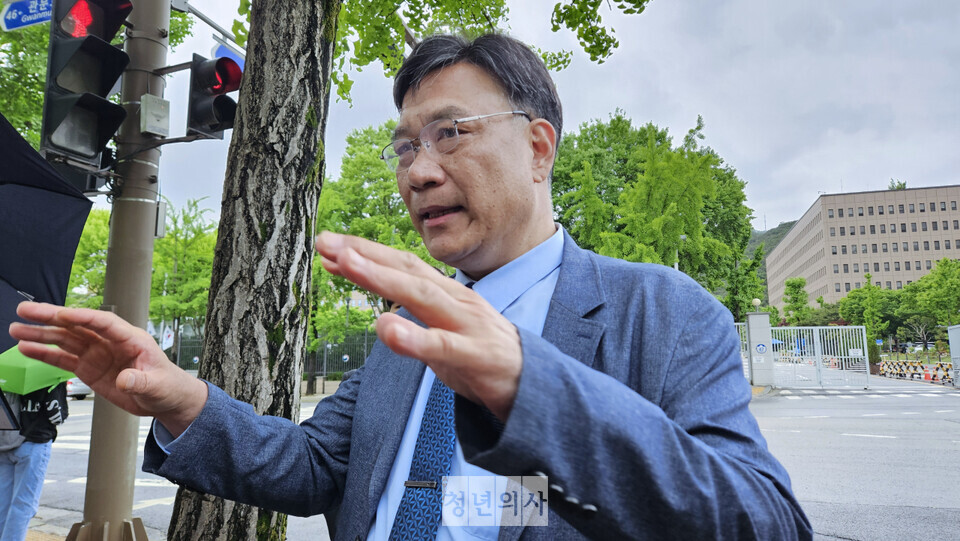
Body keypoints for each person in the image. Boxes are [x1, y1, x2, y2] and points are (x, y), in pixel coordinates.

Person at [9, 33, 812, 540]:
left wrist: (529, 384)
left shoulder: (663, 314)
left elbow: (764, 521)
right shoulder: (406, 333)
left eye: (451, 134)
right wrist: (180, 398)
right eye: (404, 147)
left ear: (538, 148)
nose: (418, 170)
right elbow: (317, 465)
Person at [0, 384, 67, 540]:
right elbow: (55, 415)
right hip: (34, 443)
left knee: (3, 505)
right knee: (23, 506)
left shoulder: (9, 368)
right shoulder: (50, 374)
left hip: (6, 442)